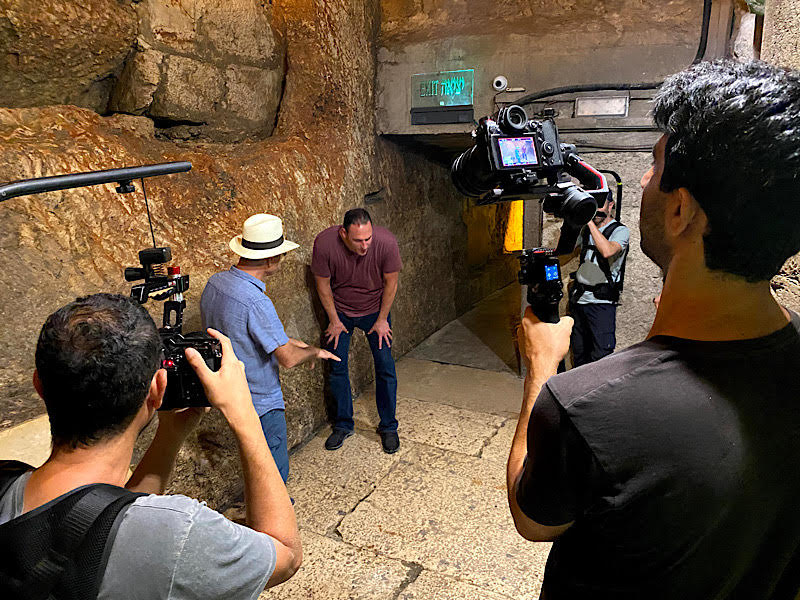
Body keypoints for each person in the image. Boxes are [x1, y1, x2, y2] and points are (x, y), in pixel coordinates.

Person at [507, 60, 800, 599]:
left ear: (681, 209)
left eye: (653, 163)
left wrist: (541, 370)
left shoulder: (589, 405)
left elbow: (533, 519)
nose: (644, 180)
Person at [0, 293, 301, 598]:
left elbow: (104, 516)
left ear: (39, 385)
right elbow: (286, 555)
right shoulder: (177, 532)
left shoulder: (6, 485)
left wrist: (169, 436)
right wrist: (245, 415)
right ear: (158, 389)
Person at [201, 213, 339, 483]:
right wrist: (313, 352)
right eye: (282, 255)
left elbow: (243, 334)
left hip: (231, 394)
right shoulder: (255, 301)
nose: (283, 260)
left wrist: (292, 342)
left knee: (252, 465)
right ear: (270, 259)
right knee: (272, 473)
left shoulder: (215, 283)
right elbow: (287, 359)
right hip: (260, 401)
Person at [311, 208, 402, 453]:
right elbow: (322, 284)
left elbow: (391, 282)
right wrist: (333, 320)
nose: (365, 246)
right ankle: (343, 424)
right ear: (343, 234)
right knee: (336, 366)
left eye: (368, 238)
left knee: (385, 365)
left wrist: (382, 320)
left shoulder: (386, 243)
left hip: (375, 310)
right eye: (358, 240)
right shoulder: (324, 243)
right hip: (340, 311)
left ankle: (389, 426)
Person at [561, 190, 630, 366]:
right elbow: (565, 249)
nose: (596, 210)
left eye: (599, 205)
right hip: (580, 300)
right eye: (592, 205)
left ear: (610, 205)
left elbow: (607, 251)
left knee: (601, 356)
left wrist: (589, 221)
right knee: (579, 353)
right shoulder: (585, 231)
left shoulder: (620, 231)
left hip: (601, 303)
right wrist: (570, 219)